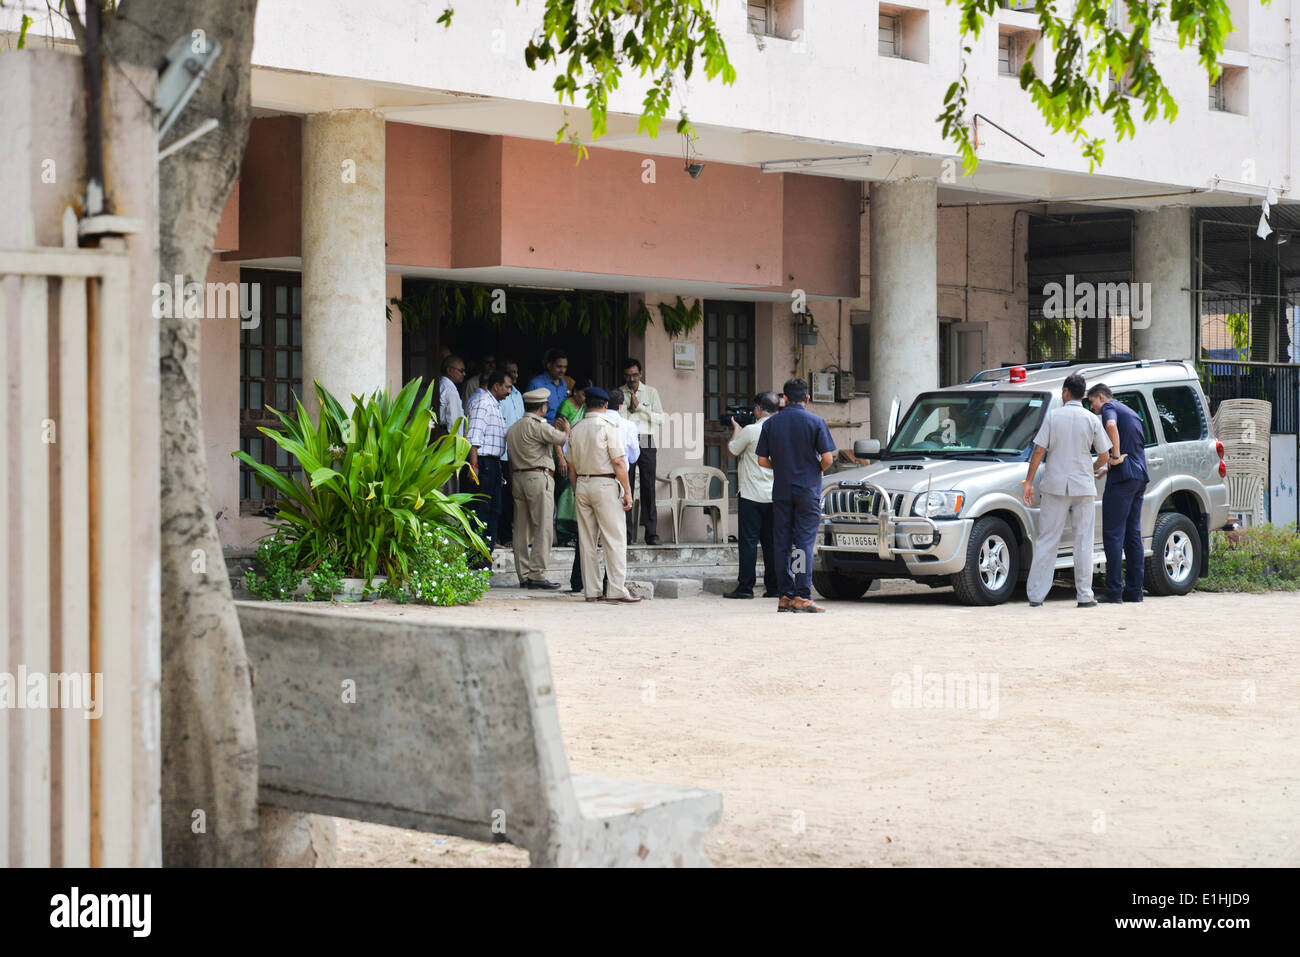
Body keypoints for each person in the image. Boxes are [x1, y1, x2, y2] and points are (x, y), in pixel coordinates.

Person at [1022, 373, 1118, 608]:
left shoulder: (1053, 417)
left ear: (1065, 392)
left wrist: (1029, 483)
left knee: (1047, 540)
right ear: (1084, 395)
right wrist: (1091, 468)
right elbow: (1105, 454)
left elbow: (1038, 451)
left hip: (1055, 486)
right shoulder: (1091, 419)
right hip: (1083, 486)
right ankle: (1084, 595)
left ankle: (1036, 595)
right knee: (1083, 541)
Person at [756, 378, 836, 613]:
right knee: (802, 543)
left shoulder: (771, 424)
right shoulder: (816, 422)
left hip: (781, 490)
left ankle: (784, 595)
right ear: (807, 398)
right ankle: (801, 594)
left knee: (781, 543)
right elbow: (828, 459)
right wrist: (813, 471)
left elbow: (761, 460)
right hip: (807, 491)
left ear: (785, 398)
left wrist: (781, 468)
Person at [567, 387, 640, 604]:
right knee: (614, 538)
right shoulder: (610, 427)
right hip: (605, 483)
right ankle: (616, 589)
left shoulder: (576, 428)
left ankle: (592, 590)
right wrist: (627, 491)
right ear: (606, 405)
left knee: (587, 541)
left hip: (582, 483)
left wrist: (576, 488)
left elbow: (570, 466)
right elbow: (618, 462)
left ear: (586, 404)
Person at [1087, 382, 1150, 604]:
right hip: (1139, 474)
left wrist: (1113, 457)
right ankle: (1134, 591)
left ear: (1101, 397)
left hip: (1123, 477)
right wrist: (1109, 466)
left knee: (1113, 533)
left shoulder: (1109, 408)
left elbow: (1111, 425)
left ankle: (1114, 590)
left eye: (1092, 401)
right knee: (1133, 534)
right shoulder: (1130, 411)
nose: (1091, 406)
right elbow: (1132, 447)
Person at [505, 387, 570, 590]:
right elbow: (561, 439)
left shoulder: (514, 428)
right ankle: (538, 574)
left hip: (518, 477)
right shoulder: (539, 426)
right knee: (543, 526)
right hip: (538, 478)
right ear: (542, 407)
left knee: (521, 529)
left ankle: (523, 574)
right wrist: (566, 428)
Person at [725, 391, 780, 599]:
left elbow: (732, 450)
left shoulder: (750, 430)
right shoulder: (780, 429)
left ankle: (746, 587)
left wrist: (736, 430)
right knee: (771, 542)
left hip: (751, 494)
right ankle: (774, 587)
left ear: (758, 409)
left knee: (748, 542)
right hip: (774, 495)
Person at [464, 370, 513, 554]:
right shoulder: (482, 402)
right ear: (496, 386)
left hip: (492, 462)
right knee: (480, 509)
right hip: (482, 463)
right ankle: (476, 556)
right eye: (507, 387)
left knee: (493, 510)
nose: (509, 391)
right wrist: (474, 465)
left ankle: (485, 554)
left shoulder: (494, 404)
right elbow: (473, 436)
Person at [618, 357, 665, 545]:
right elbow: (618, 418)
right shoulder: (619, 393)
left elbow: (660, 419)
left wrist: (640, 409)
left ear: (641, 374)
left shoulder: (651, 392)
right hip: (627, 441)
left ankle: (651, 533)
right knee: (626, 486)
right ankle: (627, 534)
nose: (632, 379)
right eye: (628, 376)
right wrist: (629, 409)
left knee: (648, 486)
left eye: (635, 375)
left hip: (645, 440)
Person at [497, 360, 524, 548]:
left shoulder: (518, 395)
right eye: (510, 372)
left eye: (516, 372)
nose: (514, 375)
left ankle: (511, 534)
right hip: (501, 453)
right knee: (502, 498)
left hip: (517, 454)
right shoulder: (499, 398)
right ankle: (504, 536)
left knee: (514, 497)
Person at [526, 349, 569, 426]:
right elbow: (528, 415)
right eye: (559, 367)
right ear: (549, 366)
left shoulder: (563, 383)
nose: (562, 370)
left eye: (565, 367)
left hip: (561, 431)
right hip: (542, 432)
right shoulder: (536, 384)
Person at [437, 354, 467, 437]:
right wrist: (458, 441)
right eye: (461, 371)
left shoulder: (442, 384)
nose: (464, 374)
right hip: (447, 435)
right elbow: (454, 420)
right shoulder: (449, 389)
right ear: (449, 370)